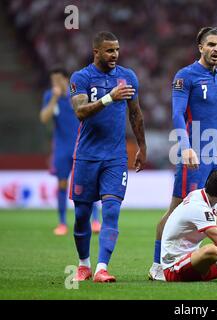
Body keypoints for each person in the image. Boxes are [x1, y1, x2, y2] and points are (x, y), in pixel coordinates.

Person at [149, 27, 217, 281]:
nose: (216, 49)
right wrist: (186, 146)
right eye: (211, 44)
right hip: (194, 154)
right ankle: (158, 264)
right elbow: (177, 114)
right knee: (175, 210)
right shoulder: (185, 76)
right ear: (200, 47)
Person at [69, 31, 147, 283]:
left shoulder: (128, 76)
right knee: (82, 215)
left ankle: (102, 267)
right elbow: (80, 112)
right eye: (109, 50)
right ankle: (84, 264)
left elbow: (135, 114)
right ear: (96, 52)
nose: (115, 54)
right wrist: (108, 97)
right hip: (86, 157)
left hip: (114, 158)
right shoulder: (81, 77)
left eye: (117, 49)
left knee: (111, 210)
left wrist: (141, 147)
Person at [40, 67, 101, 236]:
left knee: (88, 184)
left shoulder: (77, 95)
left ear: (66, 80)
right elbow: (44, 118)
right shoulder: (50, 97)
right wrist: (53, 97)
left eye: (58, 80)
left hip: (81, 146)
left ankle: (95, 221)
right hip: (61, 148)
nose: (55, 84)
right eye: (53, 81)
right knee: (61, 185)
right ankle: (62, 223)